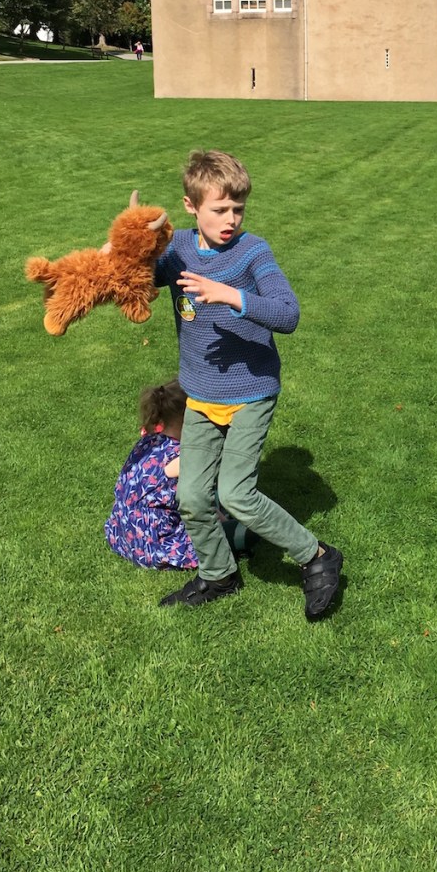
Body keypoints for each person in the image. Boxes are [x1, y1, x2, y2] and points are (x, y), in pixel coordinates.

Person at [149, 149, 342, 615]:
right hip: (201, 394)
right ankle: (219, 575)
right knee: (192, 496)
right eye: (220, 210)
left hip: (251, 390)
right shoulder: (177, 251)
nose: (231, 218)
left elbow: (288, 313)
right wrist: (130, 241)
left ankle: (317, 557)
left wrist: (231, 296)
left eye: (238, 208)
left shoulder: (253, 251)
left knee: (236, 493)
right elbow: (136, 278)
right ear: (191, 207)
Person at [104, 379, 257, 571]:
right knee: (241, 531)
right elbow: (200, 502)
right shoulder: (182, 458)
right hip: (153, 544)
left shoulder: (150, 441)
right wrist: (225, 524)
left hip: (123, 532)